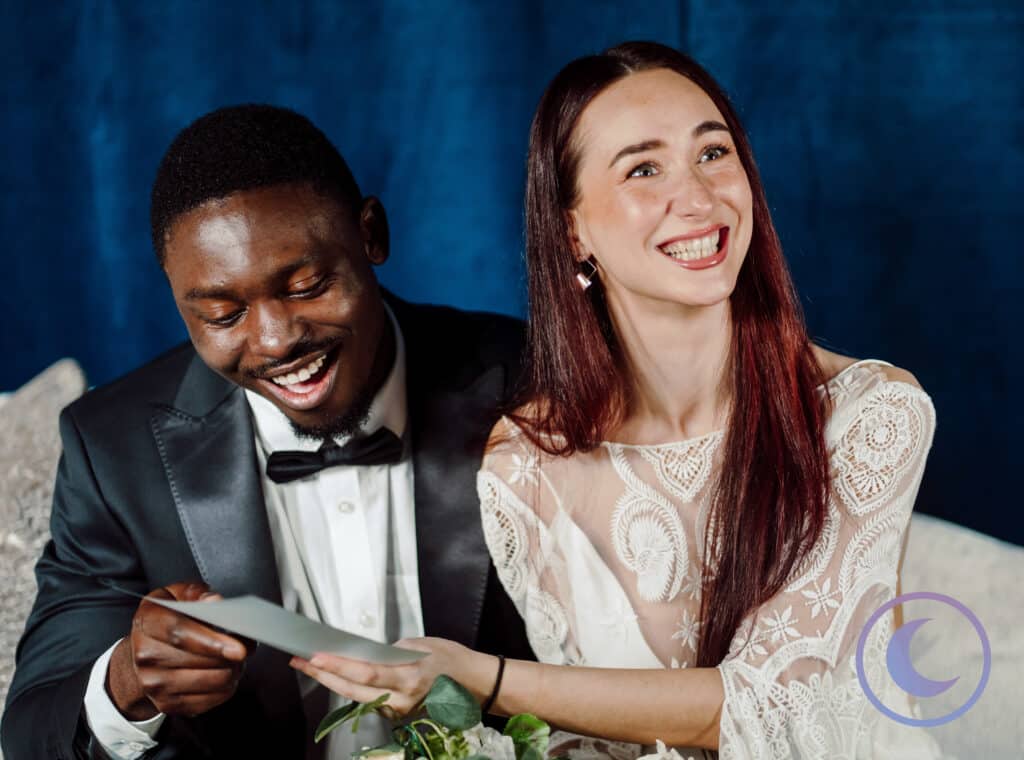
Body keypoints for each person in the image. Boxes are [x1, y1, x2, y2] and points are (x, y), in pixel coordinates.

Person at [290, 43, 944, 758]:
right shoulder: (524, 466)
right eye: (643, 168)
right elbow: (581, 742)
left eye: (713, 153)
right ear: (573, 231)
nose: (696, 197)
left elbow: (772, 708)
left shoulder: (868, 415)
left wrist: (481, 677)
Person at [1, 104, 533, 760]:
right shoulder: (113, 449)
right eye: (223, 314)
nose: (277, 340)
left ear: (372, 235)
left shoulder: (530, 379)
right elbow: (30, 732)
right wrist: (128, 683)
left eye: (308, 286)